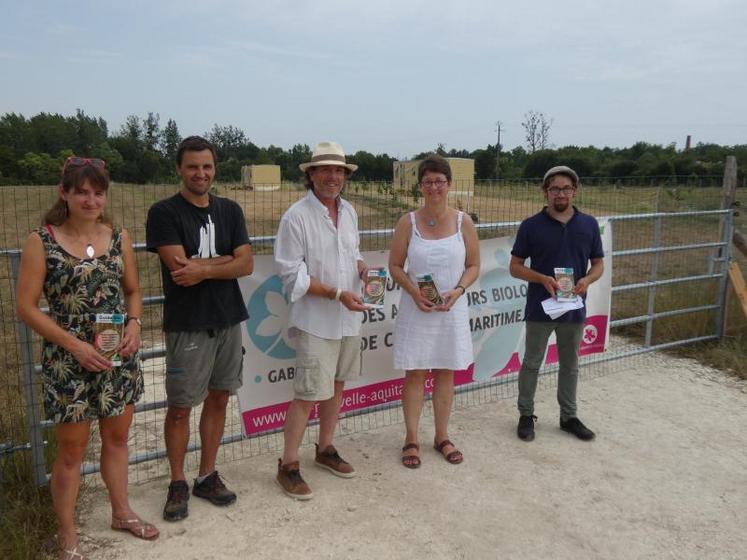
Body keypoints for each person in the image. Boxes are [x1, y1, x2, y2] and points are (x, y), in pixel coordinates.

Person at [16, 157, 158, 560]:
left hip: (116, 356)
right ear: (64, 193)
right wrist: (75, 346)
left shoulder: (118, 238)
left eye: (98, 192)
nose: (91, 199)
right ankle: (68, 534)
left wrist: (134, 324)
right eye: (81, 191)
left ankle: (121, 512)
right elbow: (26, 308)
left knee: (116, 439)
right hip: (68, 361)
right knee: (72, 451)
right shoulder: (40, 240)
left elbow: (132, 290)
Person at [146, 136, 253, 521]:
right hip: (188, 325)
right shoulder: (164, 213)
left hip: (228, 319)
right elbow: (180, 270)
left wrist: (205, 267)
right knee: (179, 408)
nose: (200, 173)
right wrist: (224, 263)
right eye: (192, 167)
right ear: (179, 169)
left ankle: (207, 474)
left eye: (207, 166)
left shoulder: (230, 210)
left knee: (220, 398)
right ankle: (177, 481)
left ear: (214, 169)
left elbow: (246, 264)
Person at [273, 141, 368, 500]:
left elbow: (353, 252)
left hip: (348, 319)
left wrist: (362, 269)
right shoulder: (296, 217)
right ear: (310, 175)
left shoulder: (350, 213)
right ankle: (288, 464)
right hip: (316, 321)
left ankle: (325, 448)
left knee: (337, 385)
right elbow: (290, 276)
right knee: (306, 395)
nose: (333, 176)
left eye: (339, 170)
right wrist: (335, 293)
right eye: (325, 170)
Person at [389, 154, 480, 468]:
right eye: (428, 181)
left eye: (439, 181)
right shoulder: (408, 222)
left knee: (446, 372)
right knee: (414, 373)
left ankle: (442, 436)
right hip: (417, 310)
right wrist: (414, 292)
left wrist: (459, 290)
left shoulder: (462, 221)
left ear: (449, 184)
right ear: (421, 186)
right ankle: (411, 439)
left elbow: (473, 265)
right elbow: (395, 267)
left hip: (451, 310)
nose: (434, 187)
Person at [509, 165, 604, 442]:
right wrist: (540, 278)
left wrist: (587, 280)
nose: (560, 194)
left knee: (570, 364)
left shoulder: (588, 225)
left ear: (574, 191)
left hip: (574, 307)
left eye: (565, 188)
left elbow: (598, 264)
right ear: (545, 192)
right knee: (531, 362)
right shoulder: (530, 226)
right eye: (554, 189)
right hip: (540, 307)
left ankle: (569, 417)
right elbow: (515, 267)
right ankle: (526, 414)